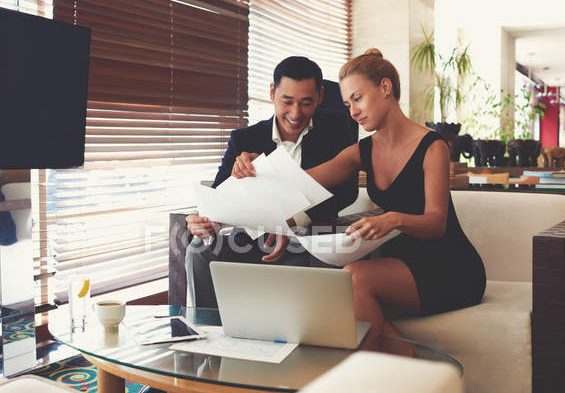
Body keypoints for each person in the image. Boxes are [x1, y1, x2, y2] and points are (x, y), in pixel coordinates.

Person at [232, 48, 486, 340]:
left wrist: (393, 219)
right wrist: (255, 164)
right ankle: (414, 366)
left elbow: (436, 223)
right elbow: (297, 182)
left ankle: (406, 368)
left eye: (357, 98)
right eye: (346, 103)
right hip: (397, 264)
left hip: (450, 266)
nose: (352, 111)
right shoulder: (360, 152)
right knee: (337, 305)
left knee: (352, 279)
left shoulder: (433, 146)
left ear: (386, 88)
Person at [185, 56, 359, 308]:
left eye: (306, 103)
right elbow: (218, 198)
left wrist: (292, 221)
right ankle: (209, 330)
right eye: (286, 101)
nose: (296, 113)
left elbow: (347, 192)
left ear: (320, 96)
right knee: (198, 250)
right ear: (271, 92)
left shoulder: (337, 128)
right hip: (250, 238)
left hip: (306, 238)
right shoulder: (245, 138)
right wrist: (203, 220)